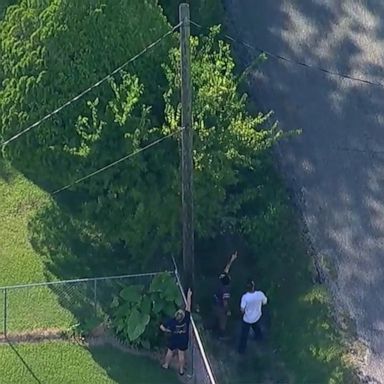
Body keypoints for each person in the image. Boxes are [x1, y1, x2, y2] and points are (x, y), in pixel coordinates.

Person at [160, 288, 192, 376]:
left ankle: (166, 365)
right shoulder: (186, 319)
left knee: (170, 352)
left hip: (174, 339)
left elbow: (162, 327)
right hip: (183, 340)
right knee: (181, 355)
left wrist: (167, 330)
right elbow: (188, 306)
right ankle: (181, 370)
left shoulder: (172, 321)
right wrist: (189, 295)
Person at [213, 251, 238, 338]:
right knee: (223, 320)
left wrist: (232, 259)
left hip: (215, 302)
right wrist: (227, 310)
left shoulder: (220, 280)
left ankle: (215, 329)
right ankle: (221, 335)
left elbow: (226, 270)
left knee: (217, 318)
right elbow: (225, 302)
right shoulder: (225, 290)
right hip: (220, 306)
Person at [238, 279, 267, 354]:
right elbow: (265, 302)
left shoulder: (245, 297)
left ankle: (241, 350)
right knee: (256, 327)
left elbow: (242, 309)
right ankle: (259, 338)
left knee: (244, 335)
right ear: (253, 287)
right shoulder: (260, 294)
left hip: (247, 319)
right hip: (257, 317)